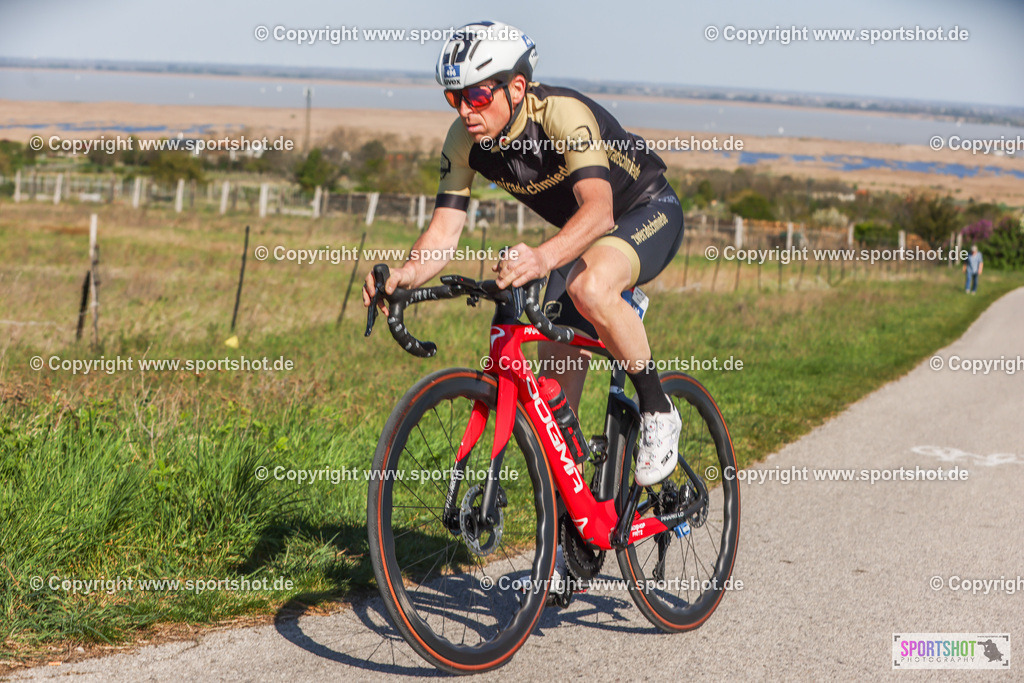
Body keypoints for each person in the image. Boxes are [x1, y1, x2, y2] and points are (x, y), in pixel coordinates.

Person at [363, 20, 684, 488]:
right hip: (582, 234)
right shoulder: (465, 140)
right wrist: (404, 275)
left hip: (644, 210)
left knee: (589, 286)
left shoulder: (561, 115)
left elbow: (598, 211)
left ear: (515, 86)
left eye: (476, 96)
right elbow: (443, 233)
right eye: (454, 97)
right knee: (556, 414)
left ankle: (658, 409)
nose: (465, 110)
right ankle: (571, 543)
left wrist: (540, 258)